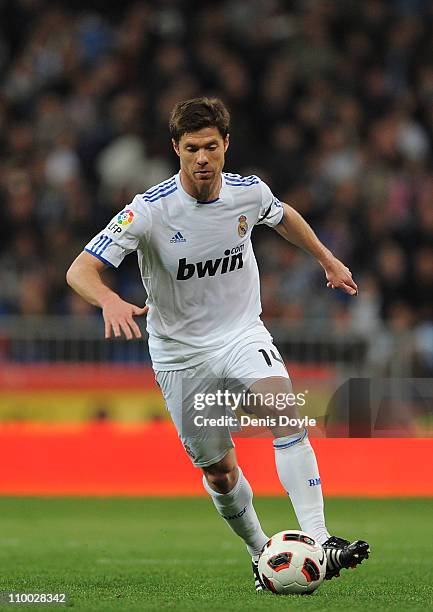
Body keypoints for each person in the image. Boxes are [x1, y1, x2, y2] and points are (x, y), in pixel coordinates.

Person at [66, 97, 370, 590]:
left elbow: (283, 214)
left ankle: (319, 540)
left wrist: (326, 258)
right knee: (220, 473)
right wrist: (108, 301)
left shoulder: (248, 194)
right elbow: (80, 269)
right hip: (180, 355)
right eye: (191, 149)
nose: (202, 158)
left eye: (211, 146)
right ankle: (260, 552)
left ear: (226, 145)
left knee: (284, 415)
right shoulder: (148, 212)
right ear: (175, 150)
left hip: (241, 333)